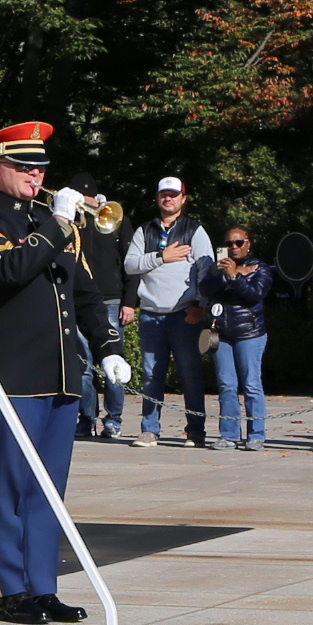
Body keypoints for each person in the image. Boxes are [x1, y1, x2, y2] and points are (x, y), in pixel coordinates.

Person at [0, 122, 128, 625]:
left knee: (49, 490)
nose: (35, 176)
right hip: (13, 374)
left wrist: (106, 347)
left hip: (62, 374)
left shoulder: (52, 220)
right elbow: (9, 273)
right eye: (24, 167)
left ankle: (43, 585)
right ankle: (11, 588)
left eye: (40, 168)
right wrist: (58, 225)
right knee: (12, 486)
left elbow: (83, 292)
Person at [124, 176, 214, 447]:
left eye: (174, 194)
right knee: (152, 375)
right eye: (164, 193)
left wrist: (199, 306)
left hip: (184, 314)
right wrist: (161, 257)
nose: (168, 198)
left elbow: (206, 270)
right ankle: (149, 430)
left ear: (183, 199)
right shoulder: (145, 230)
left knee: (190, 373)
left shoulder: (194, 231)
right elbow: (130, 265)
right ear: (157, 197)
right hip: (151, 313)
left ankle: (195, 432)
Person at [66, 173, 136, 440]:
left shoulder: (114, 220)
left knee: (113, 363)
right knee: (83, 365)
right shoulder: (68, 221)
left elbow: (129, 264)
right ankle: (86, 418)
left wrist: (129, 302)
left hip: (110, 299)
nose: (84, 203)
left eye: (88, 198)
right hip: (78, 301)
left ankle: (113, 420)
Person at [198, 226, 272, 452]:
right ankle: (229, 434)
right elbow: (204, 288)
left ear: (248, 243)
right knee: (227, 384)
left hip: (249, 333)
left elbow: (254, 295)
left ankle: (256, 435)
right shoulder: (217, 267)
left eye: (239, 242)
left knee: (251, 384)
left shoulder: (261, 268)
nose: (234, 247)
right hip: (222, 334)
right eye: (229, 243)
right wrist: (225, 275)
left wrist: (235, 277)